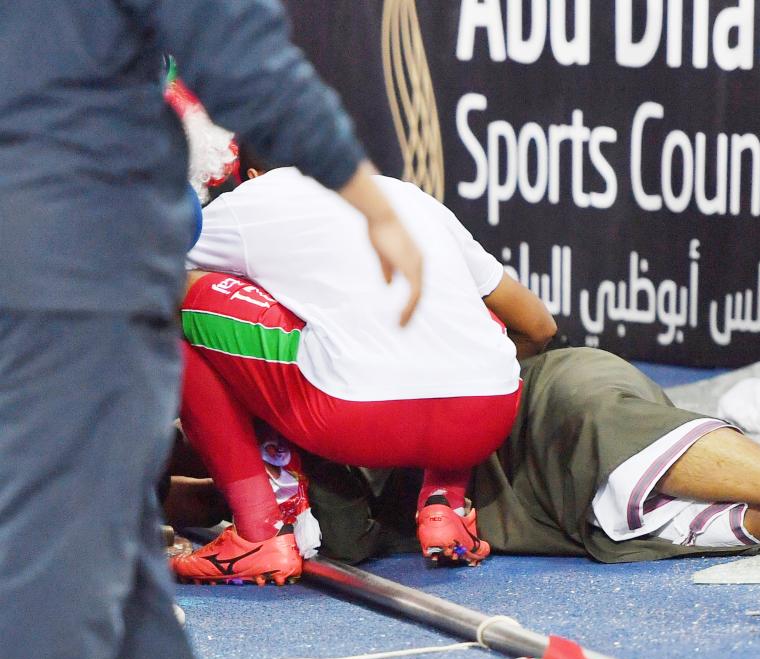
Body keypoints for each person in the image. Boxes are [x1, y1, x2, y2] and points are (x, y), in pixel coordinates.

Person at [0, 2, 423, 659]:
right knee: (60, 574)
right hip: (76, 275)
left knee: (118, 563)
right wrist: (370, 202)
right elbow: (246, 63)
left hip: (56, 269)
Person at [172, 158, 556, 583]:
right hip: (483, 422)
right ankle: (444, 503)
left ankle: (258, 531)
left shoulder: (251, 199)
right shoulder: (410, 197)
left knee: (174, 295)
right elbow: (539, 326)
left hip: (350, 419)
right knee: (472, 319)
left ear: (252, 174)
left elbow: (143, 274)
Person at [169, 343, 760, 566]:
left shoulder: (376, 259)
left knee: (602, 431)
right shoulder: (207, 403)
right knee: (691, 522)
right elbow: (212, 495)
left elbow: (529, 324)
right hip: (517, 512)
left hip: (534, 407)